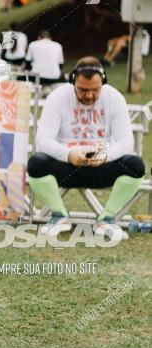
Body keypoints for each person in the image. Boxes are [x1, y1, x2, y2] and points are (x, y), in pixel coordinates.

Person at [27, 57, 145, 239]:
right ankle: (59, 216)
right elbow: (42, 140)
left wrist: (105, 155)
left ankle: (107, 218)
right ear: (72, 81)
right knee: (36, 164)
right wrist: (69, 155)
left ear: (103, 82)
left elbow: (125, 141)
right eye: (82, 90)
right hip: (67, 167)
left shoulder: (114, 97)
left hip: (101, 167)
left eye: (95, 90)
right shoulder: (57, 97)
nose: (89, 95)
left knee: (136, 165)